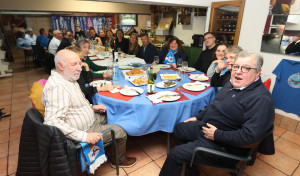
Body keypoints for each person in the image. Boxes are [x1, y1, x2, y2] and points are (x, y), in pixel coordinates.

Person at [159, 50, 275, 176]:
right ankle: (189, 165)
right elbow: (215, 104)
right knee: (179, 128)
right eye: (236, 66)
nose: (238, 71)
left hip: (225, 145)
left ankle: (186, 158)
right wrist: (198, 117)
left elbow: (249, 137)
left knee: (175, 154)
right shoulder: (232, 83)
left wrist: (217, 135)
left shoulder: (261, 99)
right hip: (209, 129)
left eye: (246, 68)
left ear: (258, 72)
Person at [42, 49, 137, 169]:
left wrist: (92, 107)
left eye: (79, 63)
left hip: (88, 119)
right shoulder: (57, 87)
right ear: (60, 66)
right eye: (74, 64)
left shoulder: (67, 78)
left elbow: (74, 104)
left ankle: (112, 148)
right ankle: (119, 160)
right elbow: (52, 122)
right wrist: (84, 137)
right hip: (83, 130)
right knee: (120, 131)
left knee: (113, 113)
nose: (79, 68)